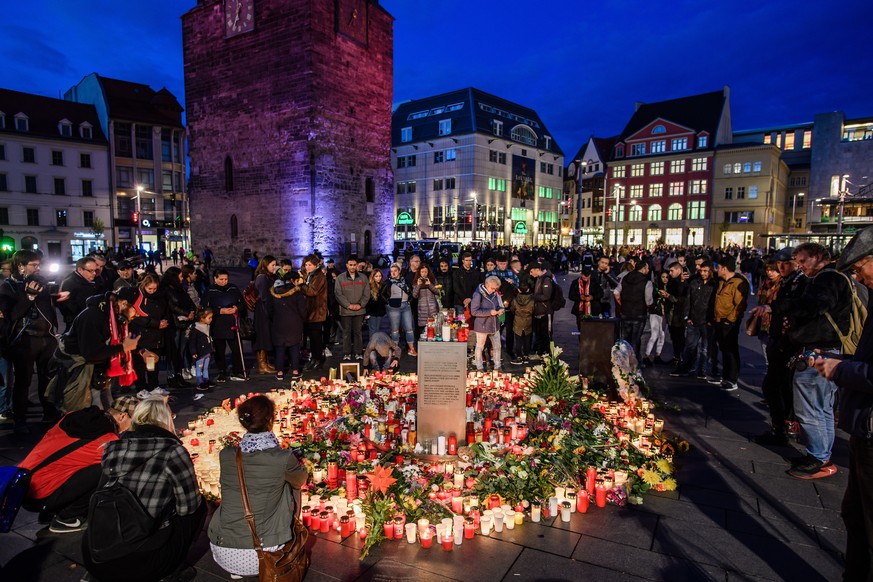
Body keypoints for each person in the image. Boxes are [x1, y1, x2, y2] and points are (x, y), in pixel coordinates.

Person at [759, 243, 858, 478]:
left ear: (817, 257)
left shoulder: (828, 279)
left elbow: (814, 306)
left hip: (819, 351)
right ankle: (821, 454)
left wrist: (779, 307)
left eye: (802, 261)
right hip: (825, 349)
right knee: (821, 408)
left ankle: (818, 457)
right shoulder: (831, 277)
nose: (800, 266)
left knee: (810, 408)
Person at [83, 397, 206, 582]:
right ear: (166, 420)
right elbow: (188, 507)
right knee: (199, 507)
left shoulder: (112, 447)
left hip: (95, 554)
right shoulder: (172, 451)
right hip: (141, 563)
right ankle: (171, 569)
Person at [812, 228, 873, 580]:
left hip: (872, 428)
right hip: (864, 428)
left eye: (859, 267)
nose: (856, 276)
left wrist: (842, 370)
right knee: (855, 516)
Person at [208, 395, 308, 580]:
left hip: (222, 549)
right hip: (265, 555)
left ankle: (237, 572)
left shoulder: (227, 454)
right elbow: (300, 480)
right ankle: (286, 540)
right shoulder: (281, 458)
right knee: (291, 485)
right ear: (270, 420)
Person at [19, 396, 139, 533]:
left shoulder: (72, 417)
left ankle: (52, 510)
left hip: (24, 485)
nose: (129, 429)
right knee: (107, 469)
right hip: (40, 496)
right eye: (132, 423)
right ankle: (67, 517)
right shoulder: (106, 441)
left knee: (73, 465)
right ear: (122, 416)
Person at [0, 250, 66, 432]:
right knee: (23, 381)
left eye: (39, 265)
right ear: (21, 266)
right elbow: (11, 316)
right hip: (25, 340)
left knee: (48, 378)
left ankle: (49, 413)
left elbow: (48, 307)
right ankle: (19, 420)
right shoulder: (9, 287)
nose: (38, 268)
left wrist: (58, 299)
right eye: (33, 265)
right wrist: (28, 297)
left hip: (47, 338)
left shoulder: (40, 282)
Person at [47, 287, 140, 414]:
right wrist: (122, 348)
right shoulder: (93, 317)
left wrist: (141, 351)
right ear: (124, 304)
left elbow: (123, 341)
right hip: (79, 372)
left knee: (107, 409)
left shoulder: (115, 316)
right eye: (136, 311)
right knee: (90, 414)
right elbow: (91, 353)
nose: (137, 315)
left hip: (99, 372)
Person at [753, 247, 806, 445]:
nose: (781, 267)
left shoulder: (800, 282)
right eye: (779, 264)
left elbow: (797, 308)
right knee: (772, 385)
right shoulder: (786, 282)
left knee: (785, 386)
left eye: (785, 263)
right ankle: (779, 425)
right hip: (778, 337)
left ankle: (788, 425)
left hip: (791, 341)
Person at [708, 255, 750, 392]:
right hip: (719, 320)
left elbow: (740, 305)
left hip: (729, 322)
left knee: (731, 350)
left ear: (724, 268)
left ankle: (732, 379)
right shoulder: (721, 281)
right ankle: (725, 376)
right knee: (724, 349)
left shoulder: (738, 283)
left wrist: (730, 320)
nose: (717, 270)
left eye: (719, 267)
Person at [672, 260, 717, 379]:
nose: (703, 273)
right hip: (693, 319)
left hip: (707, 321)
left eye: (705, 271)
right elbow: (688, 300)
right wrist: (687, 317)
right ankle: (685, 368)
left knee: (705, 348)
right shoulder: (694, 283)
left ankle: (702, 369)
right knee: (690, 346)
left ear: (711, 271)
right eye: (701, 271)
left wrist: (712, 319)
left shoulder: (715, 285)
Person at [202, 269, 247, 383]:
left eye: (226, 279)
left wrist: (236, 308)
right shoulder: (210, 290)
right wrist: (220, 311)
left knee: (236, 348)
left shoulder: (233, 288)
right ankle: (222, 371)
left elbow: (242, 303)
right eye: (221, 279)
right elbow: (204, 307)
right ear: (215, 279)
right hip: (218, 323)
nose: (224, 282)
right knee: (219, 350)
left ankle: (237, 370)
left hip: (232, 323)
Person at [129, 274, 169, 390]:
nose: (152, 291)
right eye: (149, 289)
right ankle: (140, 387)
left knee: (151, 363)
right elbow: (135, 318)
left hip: (155, 337)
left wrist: (164, 321)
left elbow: (165, 311)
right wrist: (155, 323)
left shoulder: (159, 298)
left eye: (154, 289)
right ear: (144, 286)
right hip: (142, 337)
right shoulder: (137, 299)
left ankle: (153, 385)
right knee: (140, 365)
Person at [159, 267, 195, 389]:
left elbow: (189, 301)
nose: (182, 278)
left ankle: (179, 375)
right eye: (179, 276)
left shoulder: (180, 288)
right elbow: (171, 306)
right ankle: (172, 376)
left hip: (184, 323)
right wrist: (185, 313)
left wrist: (191, 312)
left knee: (181, 351)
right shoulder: (165, 290)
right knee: (173, 351)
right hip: (174, 324)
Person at [268, 270, 307, 381]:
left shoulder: (274, 292)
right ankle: (295, 371)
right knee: (294, 347)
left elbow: (270, 310)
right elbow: (302, 310)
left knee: (279, 348)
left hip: (278, 323)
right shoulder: (297, 293)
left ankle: (279, 372)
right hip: (294, 323)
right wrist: (303, 320)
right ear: (293, 280)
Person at [614, 260, 653, 361]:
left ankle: (624, 360)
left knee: (625, 338)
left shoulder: (625, 278)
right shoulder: (646, 281)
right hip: (639, 313)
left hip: (625, 312)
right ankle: (634, 363)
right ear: (643, 268)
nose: (648, 270)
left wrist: (622, 304)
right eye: (647, 268)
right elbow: (648, 301)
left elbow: (616, 292)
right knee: (636, 339)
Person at [334, 255, 370, 361]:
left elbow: (367, 293)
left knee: (358, 332)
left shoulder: (363, 278)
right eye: (351, 265)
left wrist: (360, 305)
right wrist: (348, 305)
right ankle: (347, 353)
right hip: (346, 311)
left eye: (354, 265)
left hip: (360, 311)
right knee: (346, 332)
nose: (353, 267)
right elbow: (338, 294)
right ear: (347, 266)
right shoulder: (340, 278)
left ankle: (358, 352)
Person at [299, 255, 328, 371]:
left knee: (316, 338)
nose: (307, 267)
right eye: (306, 265)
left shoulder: (319, 276)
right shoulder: (310, 275)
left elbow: (312, 291)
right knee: (312, 337)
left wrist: (301, 285)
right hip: (310, 311)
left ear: (315, 265)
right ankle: (314, 359)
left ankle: (318, 359)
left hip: (317, 311)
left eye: (310, 265)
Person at [471, 276, 504, 372]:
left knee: (497, 346)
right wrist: (489, 312)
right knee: (480, 346)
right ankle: (479, 367)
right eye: (492, 288)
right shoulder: (478, 295)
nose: (494, 291)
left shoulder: (495, 294)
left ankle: (498, 366)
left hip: (494, 325)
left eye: (496, 289)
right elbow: (474, 312)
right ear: (486, 285)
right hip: (482, 325)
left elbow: (498, 305)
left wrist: (500, 310)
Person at [383, 263, 417, 356]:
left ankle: (412, 349)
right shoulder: (388, 282)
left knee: (409, 328)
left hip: (406, 306)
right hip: (393, 307)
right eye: (391, 271)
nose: (393, 273)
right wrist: (388, 302)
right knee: (395, 330)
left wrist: (409, 301)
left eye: (395, 271)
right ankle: (395, 349)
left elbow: (412, 292)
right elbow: (382, 294)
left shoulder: (405, 281)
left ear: (399, 271)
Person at [252, 255, 279, 374]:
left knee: (266, 337)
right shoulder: (262, 278)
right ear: (265, 265)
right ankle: (262, 364)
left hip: (265, 311)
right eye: (272, 265)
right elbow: (265, 297)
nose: (274, 267)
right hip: (263, 312)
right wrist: (271, 312)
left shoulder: (268, 277)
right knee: (263, 338)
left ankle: (265, 362)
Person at [58, 257, 99, 328]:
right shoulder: (69, 283)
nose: (94, 273)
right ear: (80, 270)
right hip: (78, 322)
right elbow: (68, 307)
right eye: (91, 271)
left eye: (95, 270)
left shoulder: (91, 280)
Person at [643, 271, 670, 366]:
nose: (665, 279)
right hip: (655, 313)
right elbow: (651, 298)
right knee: (654, 335)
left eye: (667, 277)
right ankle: (646, 356)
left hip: (664, 314)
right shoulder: (655, 286)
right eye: (663, 277)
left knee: (662, 335)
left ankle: (658, 355)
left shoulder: (670, 287)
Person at [529, 262, 555, 357]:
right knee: (540, 333)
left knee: (547, 334)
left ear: (537, 269)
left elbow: (546, 296)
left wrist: (534, 297)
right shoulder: (539, 279)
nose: (531, 274)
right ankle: (541, 353)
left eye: (532, 271)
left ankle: (550, 354)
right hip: (539, 310)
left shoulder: (546, 279)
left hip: (545, 311)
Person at [186, 307, 215, 391]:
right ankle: (200, 381)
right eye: (209, 318)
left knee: (205, 368)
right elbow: (192, 342)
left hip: (207, 351)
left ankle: (206, 379)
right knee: (199, 367)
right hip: (200, 352)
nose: (211, 320)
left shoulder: (208, 327)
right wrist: (193, 352)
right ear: (202, 318)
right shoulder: (195, 329)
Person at [509, 278, 534, 365]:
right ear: (528, 290)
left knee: (518, 340)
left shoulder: (515, 300)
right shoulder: (532, 300)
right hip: (528, 322)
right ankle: (526, 355)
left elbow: (512, 309)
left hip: (517, 322)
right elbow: (534, 310)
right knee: (527, 339)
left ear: (518, 290)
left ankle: (519, 356)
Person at [413, 264, 440, 340]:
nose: (424, 273)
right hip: (422, 310)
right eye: (422, 272)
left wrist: (430, 285)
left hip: (433, 309)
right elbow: (414, 295)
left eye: (426, 272)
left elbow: (438, 292)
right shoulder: (416, 281)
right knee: (423, 332)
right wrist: (418, 285)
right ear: (419, 273)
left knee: (433, 330)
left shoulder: (433, 280)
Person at [366, 268, 387, 339]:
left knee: (377, 330)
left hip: (380, 312)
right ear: (373, 277)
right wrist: (366, 313)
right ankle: (372, 348)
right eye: (376, 276)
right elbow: (367, 301)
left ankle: (376, 346)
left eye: (380, 276)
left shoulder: (383, 286)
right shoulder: (369, 287)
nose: (378, 278)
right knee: (372, 330)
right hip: (371, 312)